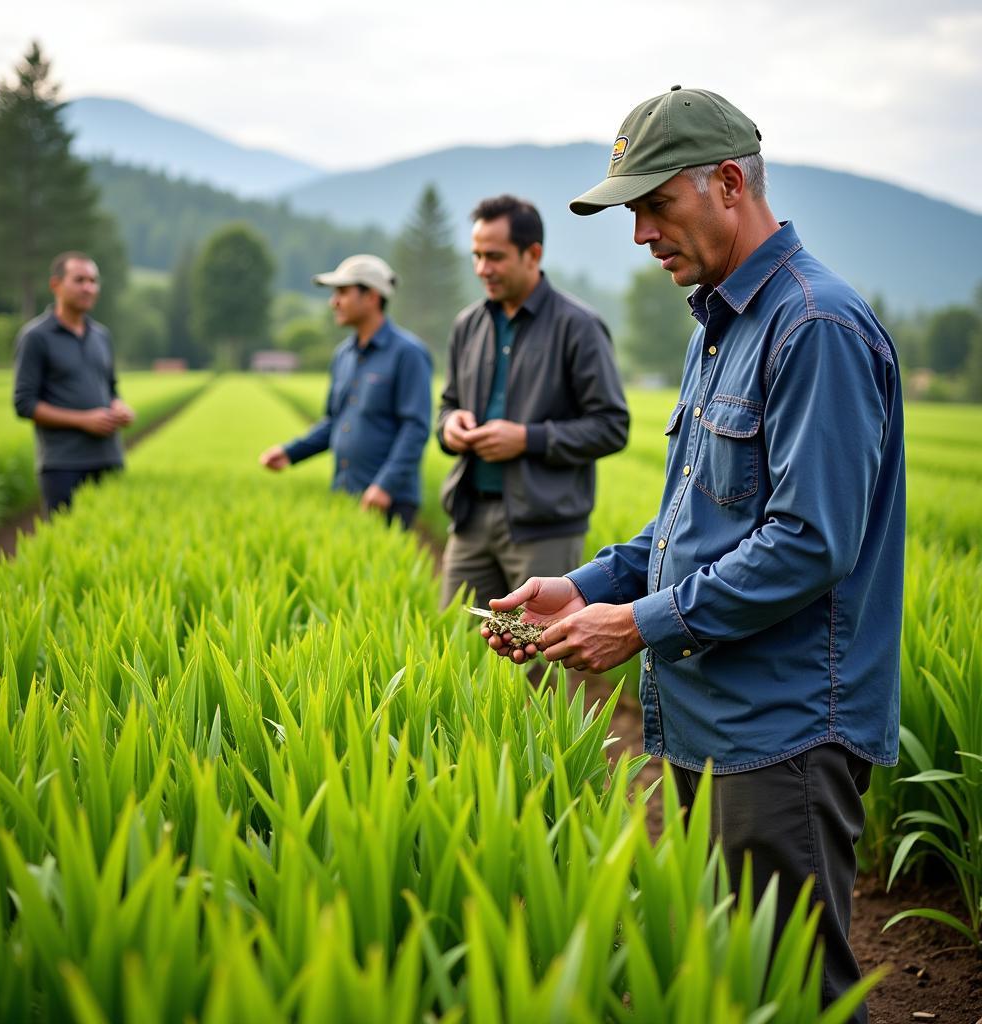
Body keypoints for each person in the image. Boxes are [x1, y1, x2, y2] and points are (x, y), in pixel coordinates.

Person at [483, 87, 904, 1020]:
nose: (639, 234)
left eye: (653, 205)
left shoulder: (814, 326)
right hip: (715, 717)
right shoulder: (721, 324)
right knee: (740, 980)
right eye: (631, 212)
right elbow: (690, 524)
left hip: (784, 728)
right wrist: (582, 586)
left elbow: (808, 542)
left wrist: (635, 623)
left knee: (799, 992)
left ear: (725, 183)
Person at [437, 195, 629, 607]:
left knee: (539, 659)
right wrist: (449, 425)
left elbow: (612, 426)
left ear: (533, 253)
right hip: (470, 517)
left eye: (495, 256)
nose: (482, 269)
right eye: (476, 256)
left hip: (545, 528)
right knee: (456, 647)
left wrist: (528, 439)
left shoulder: (579, 327)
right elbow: (447, 403)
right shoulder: (467, 325)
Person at [259, 254, 432, 529]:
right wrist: (291, 452)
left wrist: (384, 486)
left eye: (342, 292)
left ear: (372, 297)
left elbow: (415, 429)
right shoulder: (343, 356)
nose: (333, 302)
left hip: (389, 499)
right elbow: (335, 422)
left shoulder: (408, 354)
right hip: (346, 492)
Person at [13, 251, 135, 514]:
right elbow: (24, 404)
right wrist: (83, 420)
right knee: (65, 543)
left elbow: (111, 387)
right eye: (79, 280)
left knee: (112, 541)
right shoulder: (36, 337)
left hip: (109, 458)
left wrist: (119, 406)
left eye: (93, 281)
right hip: (63, 465)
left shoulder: (102, 336)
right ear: (55, 285)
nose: (88, 288)